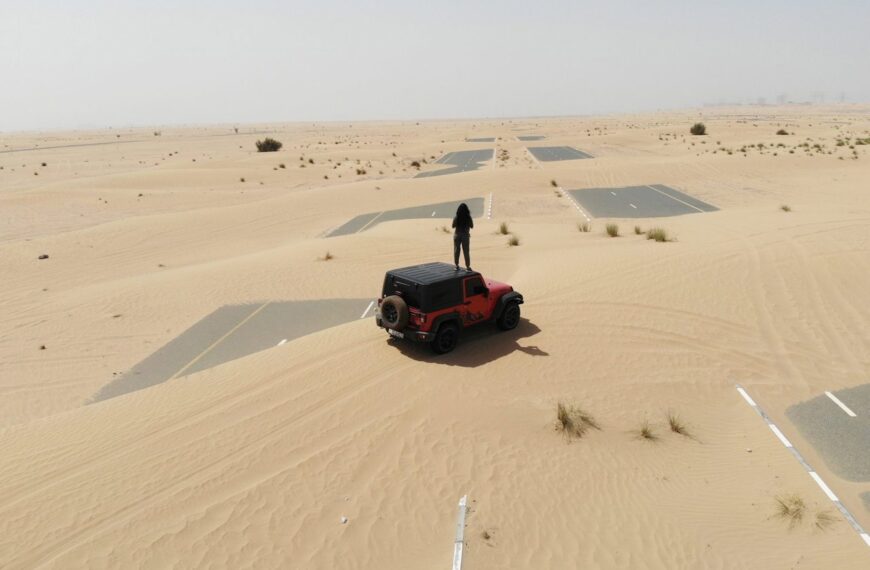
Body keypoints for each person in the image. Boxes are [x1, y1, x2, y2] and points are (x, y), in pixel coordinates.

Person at [452, 203, 473, 271]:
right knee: (466, 251)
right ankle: (467, 266)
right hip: (465, 236)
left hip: (457, 235)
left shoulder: (457, 217)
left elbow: (453, 226)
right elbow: (472, 226)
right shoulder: (468, 217)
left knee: (456, 250)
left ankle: (456, 265)